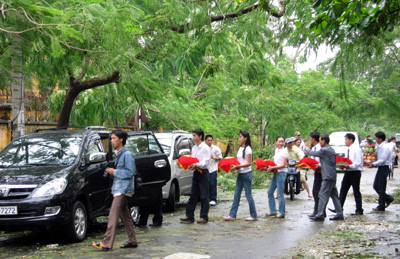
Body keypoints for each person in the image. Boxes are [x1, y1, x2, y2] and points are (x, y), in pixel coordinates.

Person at [92, 130, 138, 251]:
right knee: (125, 216)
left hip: (123, 188)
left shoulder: (127, 154)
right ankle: (132, 240)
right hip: (119, 187)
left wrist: (114, 172)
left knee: (113, 215)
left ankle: (106, 242)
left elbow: (130, 172)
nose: (112, 141)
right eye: (111, 139)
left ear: (121, 139)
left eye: (114, 138)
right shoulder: (120, 153)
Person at [306, 134, 344, 221]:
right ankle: (339, 213)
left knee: (322, 194)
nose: (319, 142)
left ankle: (320, 214)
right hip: (332, 175)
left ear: (324, 141)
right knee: (334, 195)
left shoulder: (324, 150)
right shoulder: (331, 149)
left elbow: (313, 153)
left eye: (320, 140)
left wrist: (306, 149)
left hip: (327, 176)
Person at [224, 131, 258, 221]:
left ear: (245, 138)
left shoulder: (248, 149)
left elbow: (248, 163)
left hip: (246, 174)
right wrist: (235, 167)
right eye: (239, 137)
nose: (239, 139)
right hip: (240, 174)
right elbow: (239, 162)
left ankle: (253, 215)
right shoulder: (240, 148)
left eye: (240, 137)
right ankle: (232, 215)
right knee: (236, 195)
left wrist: (238, 166)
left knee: (248, 195)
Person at [180, 129, 211, 224]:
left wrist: (197, 164)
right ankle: (189, 216)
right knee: (193, 194)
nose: (193, 137)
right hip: (196, 172)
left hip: (203, 172)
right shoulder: (194, 148)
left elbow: (206, 161)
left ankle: (204, 216)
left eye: (194, 135)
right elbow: (193, 159)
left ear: (200, 136)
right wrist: (191, 165)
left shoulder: (205, 148)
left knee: (204, 196)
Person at [331, 133, 364, 215]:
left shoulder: (356, 149)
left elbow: (358, 162)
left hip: (355, 172)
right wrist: (343, 166)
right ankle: (339, 207)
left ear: (351, 140)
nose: (345, 141)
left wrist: (350, 166)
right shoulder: (348, 149)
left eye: (346, 139)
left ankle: (359, 209)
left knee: (356, 191)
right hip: (348, 171)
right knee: (343, 189)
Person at [135, 137, 163, 227]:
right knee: (144, 202)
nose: (140, 147)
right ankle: (143, 220)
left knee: (157, 201)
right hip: (143, 182)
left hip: (154, 181)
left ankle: (157, 220)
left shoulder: (154, 154)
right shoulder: (136, 155)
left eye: (141, 145)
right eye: (139, 145)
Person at [365, 131, 394, 211]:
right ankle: (388, 199)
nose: (376, 139)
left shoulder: (385, 147)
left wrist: (373, 164)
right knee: (376, 186)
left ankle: (381, 205)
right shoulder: (379, 146)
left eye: (376, 138)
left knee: (381, 188)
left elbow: (383, 160)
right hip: (381, 167)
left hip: (384, 167)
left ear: (380, 139)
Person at [265, 136, 288, 219]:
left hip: (281, 174)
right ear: (276, 142)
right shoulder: (276, 150)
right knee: (270, 192)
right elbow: (276, 163)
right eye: (279, 141)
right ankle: (273, 211)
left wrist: (272, 168)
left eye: (282, 141)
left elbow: (283, 165)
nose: (281, 143)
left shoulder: (284, 152)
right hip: (276, 173)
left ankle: (282, 212)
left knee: (280, 194)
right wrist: (269, 168)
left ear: (284, 143)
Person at [308, 131, 323, 218]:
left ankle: (319, 211)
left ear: (313, 139)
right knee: (316, 191)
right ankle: (317, 210)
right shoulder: (314, 148)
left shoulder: (319, 148)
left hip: (321, 171)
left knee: (318, 192)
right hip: (316, 172)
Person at [205, 134, 222, 206]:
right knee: (206, 184)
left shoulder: (215, 148)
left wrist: (213, 158)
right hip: (205, 168)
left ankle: (213, 199)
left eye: (211, 140)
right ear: (205, 141)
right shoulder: (203, 148)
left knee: (212, 183)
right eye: (208, 140)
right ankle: (207, 199)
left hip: (213, 168)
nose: (210, 142)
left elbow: (220, 157)